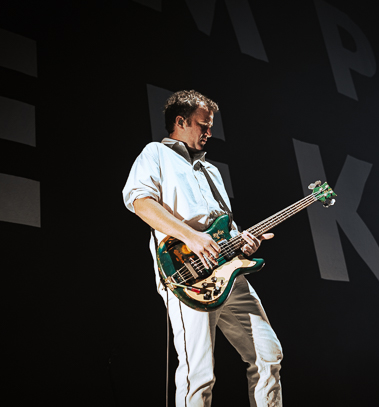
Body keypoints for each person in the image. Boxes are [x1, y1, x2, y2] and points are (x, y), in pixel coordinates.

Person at [123, 90, 282, 407]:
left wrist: (244, 242)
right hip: (188, 275)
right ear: (180, 122)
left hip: (228, 275)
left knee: (269, 354)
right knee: (200, 374)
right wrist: (191, 237)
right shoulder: (156, 153)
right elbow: (139, 202)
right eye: (203, 126)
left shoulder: (211, 171)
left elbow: (224, 226)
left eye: (210, 127)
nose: (210, 133)